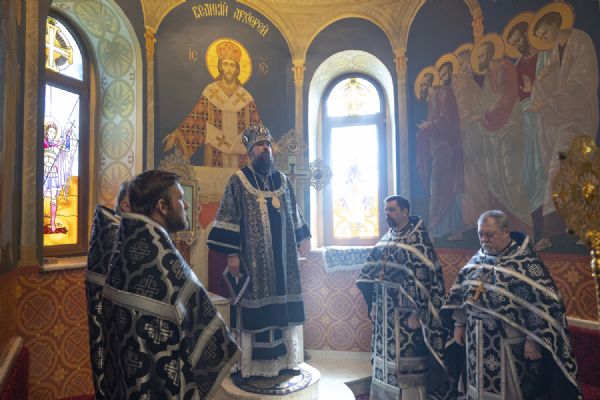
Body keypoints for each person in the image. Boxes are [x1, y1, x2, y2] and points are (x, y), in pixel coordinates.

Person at [101, 170, 239, 399]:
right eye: (180, 199)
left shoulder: (126, 247)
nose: (187, 205)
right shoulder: (162, 260)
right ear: (162, 206)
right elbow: (203, 317)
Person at [207, 123, 311, 378]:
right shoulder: (239, 179)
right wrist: (232, 255)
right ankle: (252, 366)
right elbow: (229, 216)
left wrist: (302, 239)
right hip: (253, 261)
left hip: (284, 261)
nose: (265, 148)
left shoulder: (282, 180)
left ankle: (286, 362)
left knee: (283, 309)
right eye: (259, 145)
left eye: (267, 144)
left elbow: (294, 212)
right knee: (254, 309)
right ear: (250, 151)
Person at [443, 210, 581, 399]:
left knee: (508, 391)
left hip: (508, 342)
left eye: (489, 234)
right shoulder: (477, 260)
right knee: (476, 389)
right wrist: (459, 324)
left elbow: (542, 304)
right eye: (480, 234)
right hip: (475, 339)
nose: (484, 240)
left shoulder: (526, 263)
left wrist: (532, 340)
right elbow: (461, 294)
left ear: (506, 231)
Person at [357, 195, 449, 399]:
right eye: (386, 209)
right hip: (384, 315)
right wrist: (374, 305)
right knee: (385, 359)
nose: (387, 213)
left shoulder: (418, 241)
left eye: (392, 210)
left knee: (406, 363)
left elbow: (426, 281)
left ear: (405, 212)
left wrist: (418, 313)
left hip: (405, 317)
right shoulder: (388, 236)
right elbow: (374, 276)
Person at [528, 4, 599, 251]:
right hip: (561, 119)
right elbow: (547, 82)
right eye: (540, 35)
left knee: (559, 169)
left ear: (556, 23)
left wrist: (549, 102)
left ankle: (556, 232)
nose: (543, 36)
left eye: (544, 31)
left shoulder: (580, 40)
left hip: (578, 117)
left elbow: (583, 81)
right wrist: (539, 92)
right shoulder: (555, 53)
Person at [469, 35, 532, 236]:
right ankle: (504, 232)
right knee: (495, 181)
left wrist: (485, 115)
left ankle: (525, 228)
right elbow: (484, 102)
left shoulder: (505, 67)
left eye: (482, 56)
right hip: (493, 132)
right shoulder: (489, 76)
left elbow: (507, 98)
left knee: (511, 177)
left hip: (509, 127)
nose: (479, 60)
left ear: (490, 54)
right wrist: (476, 113)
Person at [163, 40, 261, 166]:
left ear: (237, 69)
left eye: (232, 65)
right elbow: (196, 119)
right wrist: (177, 136)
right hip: (216, 150)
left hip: (240, 154)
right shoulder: (211, 92)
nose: (229, 69)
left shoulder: (245, 96)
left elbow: (256, 124)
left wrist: (270, 143)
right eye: (225, 64)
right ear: (220, 67)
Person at [504, 17, 550, 240]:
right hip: (523, 121)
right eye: (513, 44)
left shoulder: (546, 58)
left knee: (540, 169)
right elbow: (513, 98)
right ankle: (533, 228)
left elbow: (555, 87)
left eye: (518, 40)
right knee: (526, 174)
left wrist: (535, 90)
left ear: (527, 34)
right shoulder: (516, 67)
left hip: (543, 120)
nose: (516, 45)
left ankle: (546, 229)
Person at [416, 65, 464, 242]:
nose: (421, 89)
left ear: (431, 84)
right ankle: (450, 229)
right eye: (421, 85)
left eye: (424, 85)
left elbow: (447, 121)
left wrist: (429, 126)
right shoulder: (431, 101)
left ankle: (438, 230)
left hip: (445, 149)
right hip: (437, 149)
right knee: (441, 187)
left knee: (440, 187)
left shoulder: (443, 93)